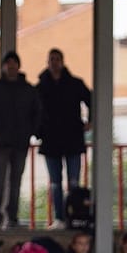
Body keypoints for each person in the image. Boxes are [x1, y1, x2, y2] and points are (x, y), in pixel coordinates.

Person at [0, 50, 42, 229]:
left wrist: (29, 132)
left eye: (14, 63)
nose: (11, 67)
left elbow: (37, 113)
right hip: (0, 143)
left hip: (21, 143)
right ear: (4, 66)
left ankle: (12, 216)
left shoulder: (28, 90)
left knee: (16, 181)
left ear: (18, 66)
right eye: (8, 64)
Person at [36, 48, 91, 229]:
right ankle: (59, 218)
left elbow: (92, 100)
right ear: (48, 61)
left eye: (57, 59)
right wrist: (37, 131)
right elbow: (32, 111)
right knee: (55, 183)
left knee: (74, 182)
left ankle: (75, 217)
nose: (55, 62)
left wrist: (90, 122)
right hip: (50, 140)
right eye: (52, 59)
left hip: (73, 138)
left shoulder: (75, 84)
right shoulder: (41, 86)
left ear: (63, 61)